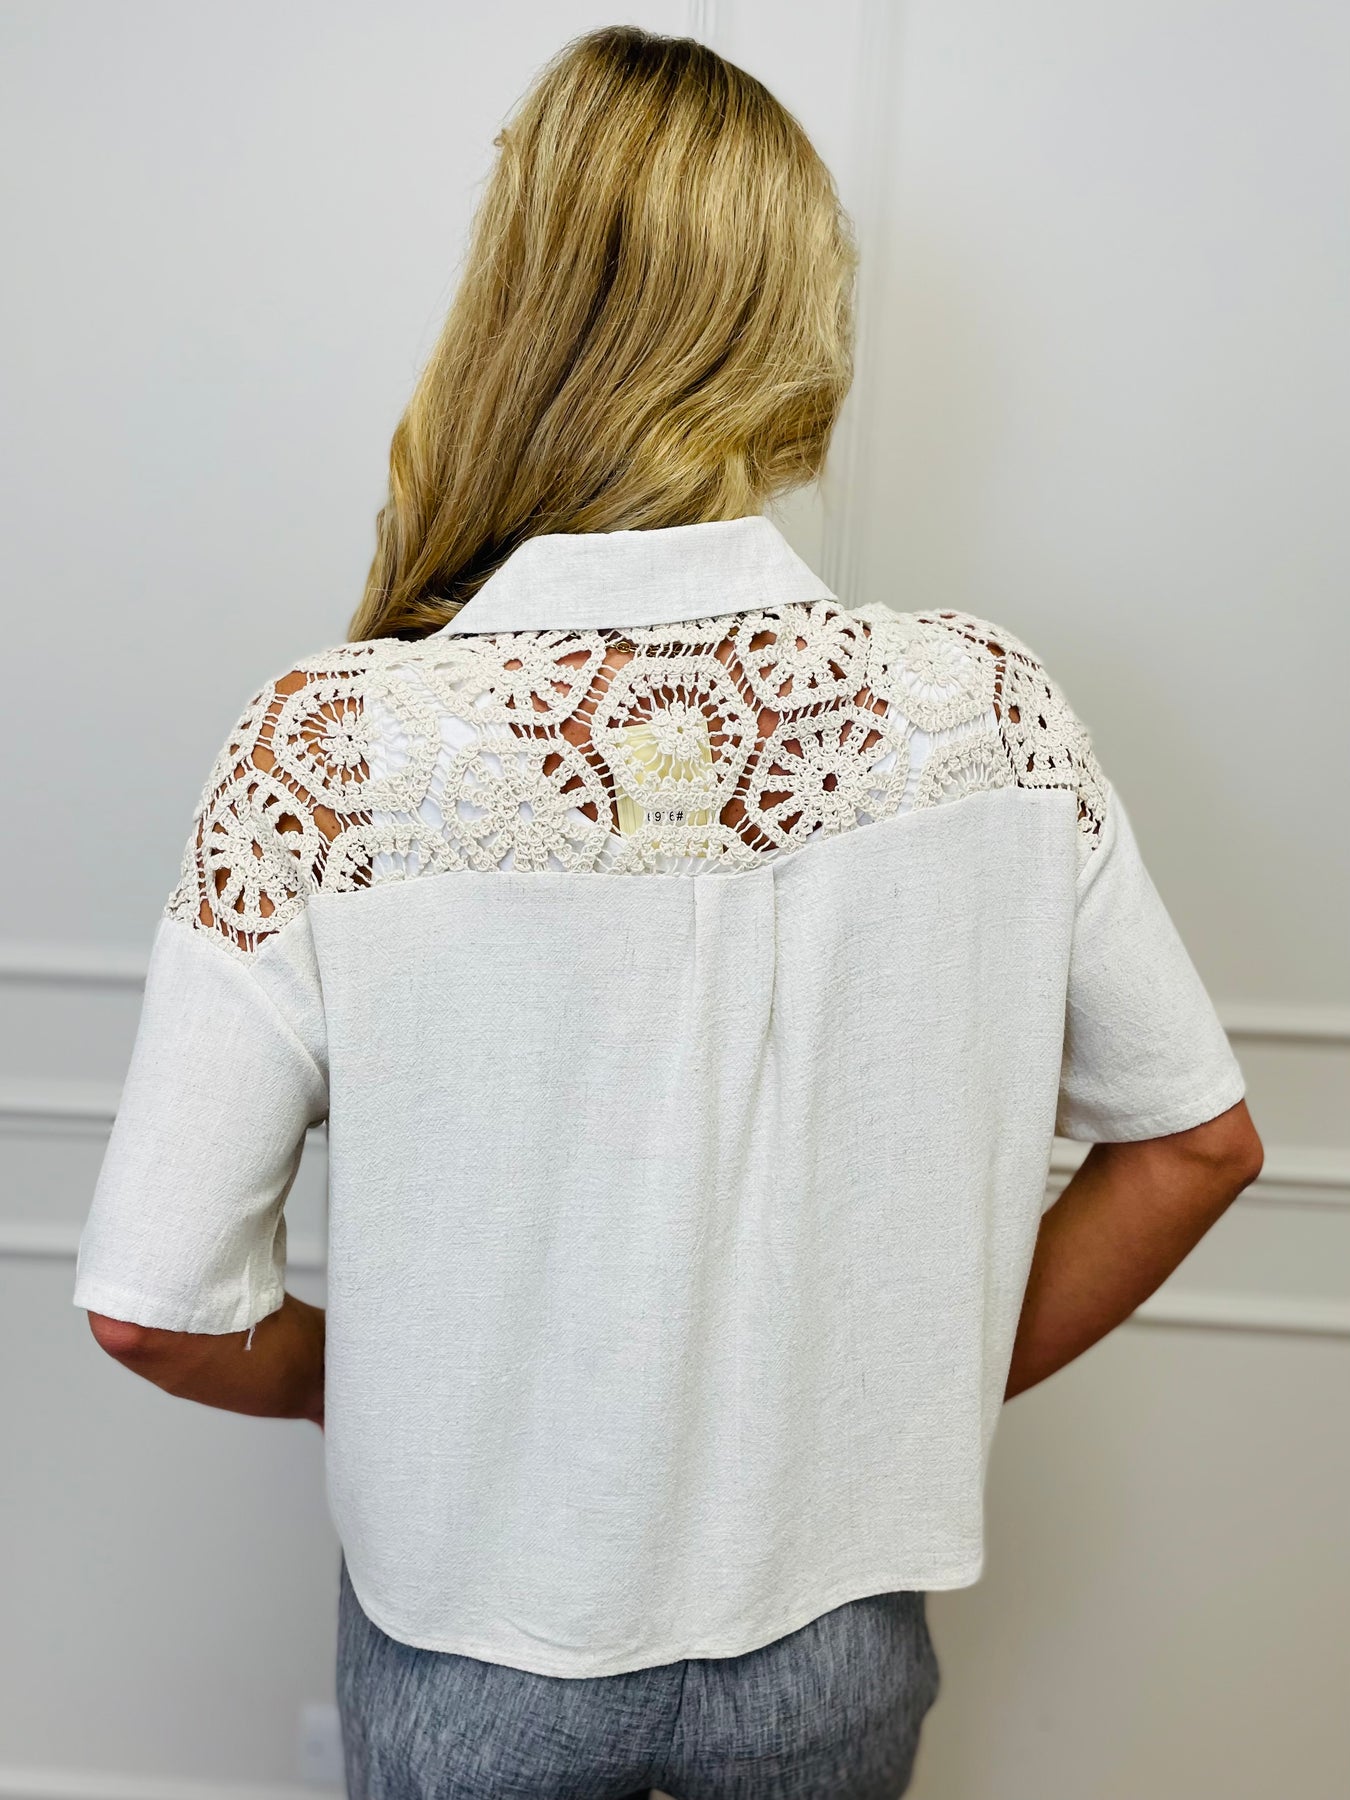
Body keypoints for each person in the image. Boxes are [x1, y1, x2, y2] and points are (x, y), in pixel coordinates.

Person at [71, 24, 1263, 1800]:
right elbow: (1196, 1144)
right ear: (794, 319)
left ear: (512, 302)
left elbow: (155, 1305)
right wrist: (896, 1403)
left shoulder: (335, 748)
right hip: (835, 1639)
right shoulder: (984, 711)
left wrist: (364, 1382)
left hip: (474, 1645)